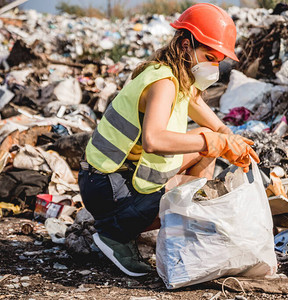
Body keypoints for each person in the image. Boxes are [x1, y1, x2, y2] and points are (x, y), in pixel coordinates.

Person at [78, 3, 260, 277]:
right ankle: (115, 233)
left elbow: (217, 128)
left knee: (205, 154)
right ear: (186, 46)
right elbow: (153, 139)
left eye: (217, 60)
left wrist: (232, 143)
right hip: (107, 188)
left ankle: (181, 229)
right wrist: (215, 142)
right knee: (198, 168)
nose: (213, 67)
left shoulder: (179, 78)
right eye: (209, 56)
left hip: (113, 177)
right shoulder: (163, 82)